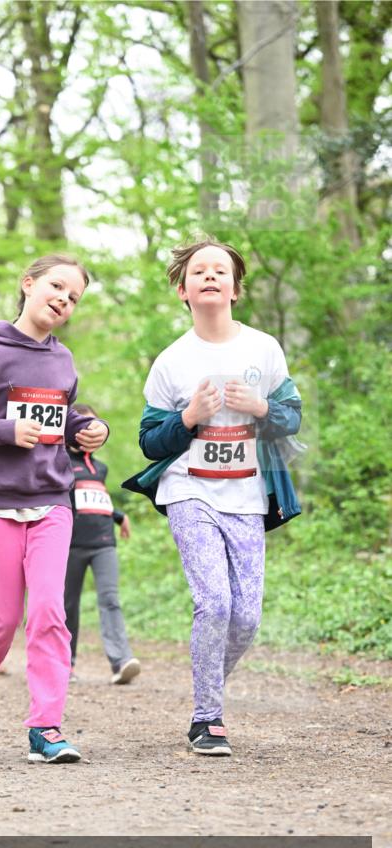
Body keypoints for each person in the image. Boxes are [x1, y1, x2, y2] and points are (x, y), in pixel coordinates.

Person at [123, 237, 302, 757]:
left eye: (219, 271)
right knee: (215, 602)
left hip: (246, 493)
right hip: (189, 489)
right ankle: (208, 718)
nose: (209, 276)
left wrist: (263, 407)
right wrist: (187, 419)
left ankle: (206, 687)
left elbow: (293, 416)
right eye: (198, 271)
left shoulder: (263, 349)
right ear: (183, 289)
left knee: (246, 616)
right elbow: (150, 440)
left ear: (235, 289)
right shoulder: (171, 362)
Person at [0, 253, 108, 763]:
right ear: (28, 284)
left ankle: (46, 728)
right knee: (1, 617)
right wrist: (5, 431)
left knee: (51, 611)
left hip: (52, 500)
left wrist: (86, 429)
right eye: (56, 286)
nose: (63, 299)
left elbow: (62, 416)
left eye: (73, 297)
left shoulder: (63, 361)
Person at [65, 403, 140, 685]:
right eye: (85, 425)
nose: (91, 431)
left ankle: (121, 662)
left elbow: (94, 498)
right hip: (70, 544)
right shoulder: (57, 461)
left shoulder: (101, 467)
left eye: (96, 426)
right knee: (66, 604)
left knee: (110, 599)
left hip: (104, 542)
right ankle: (64, 664)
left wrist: (120, 517)